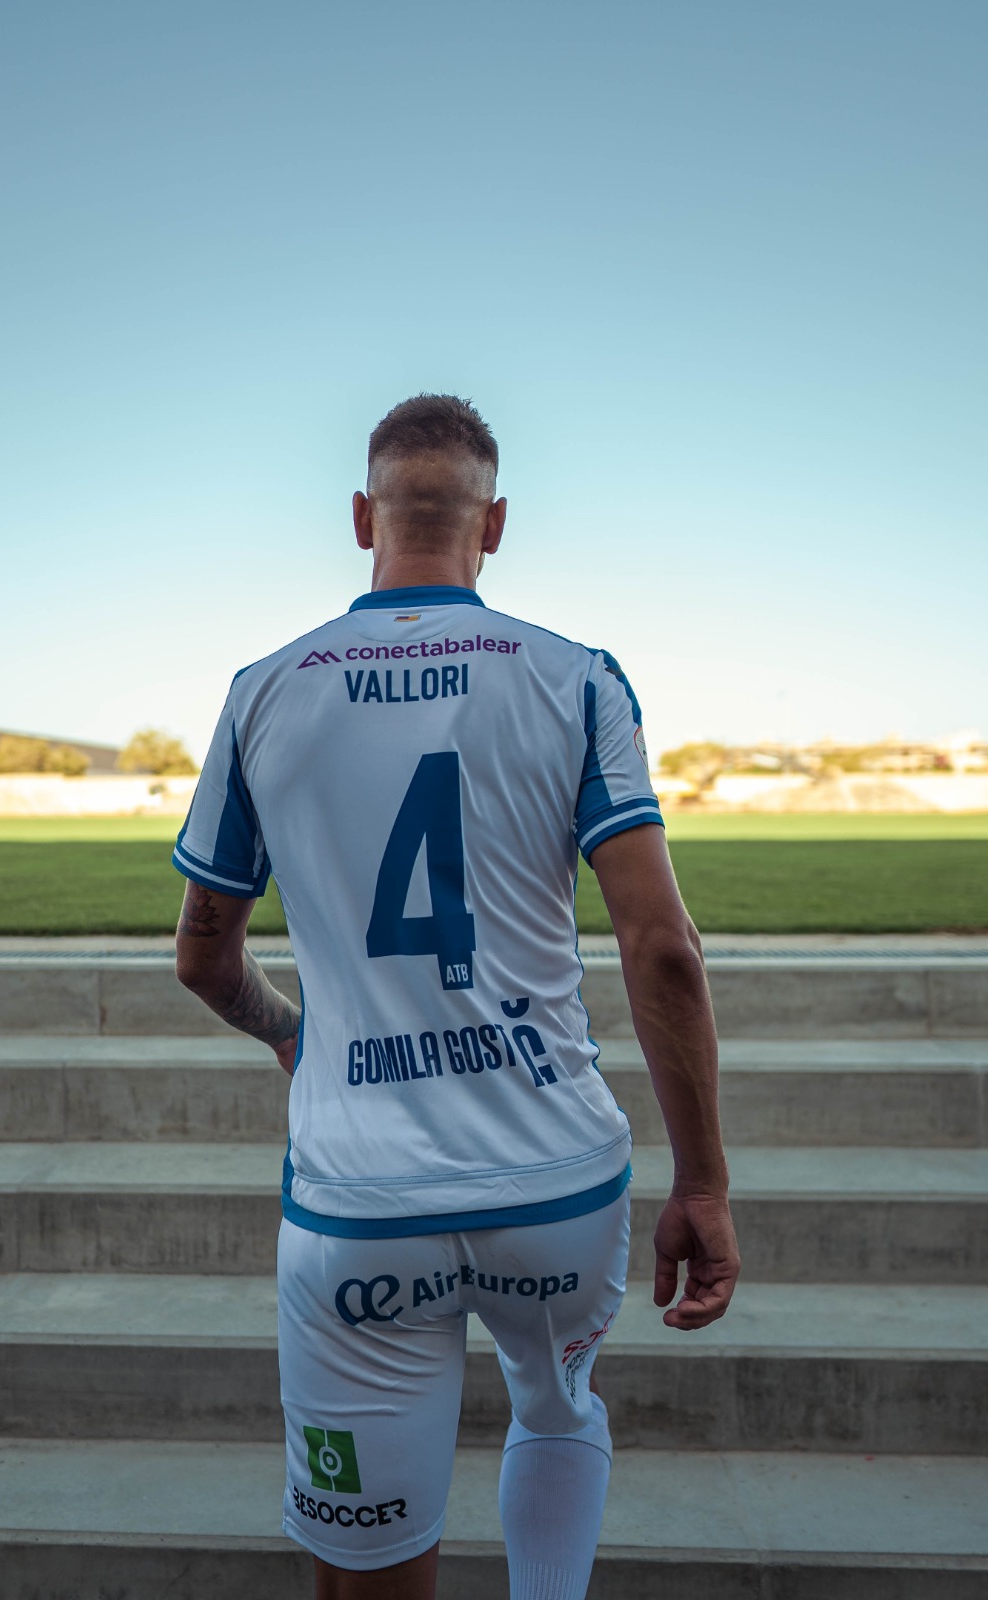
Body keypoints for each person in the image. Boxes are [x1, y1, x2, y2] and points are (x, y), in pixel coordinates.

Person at [173, 394, 740, 1600]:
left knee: (366, 1568)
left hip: (358, 1199)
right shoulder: (577, 678)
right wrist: (703, 1181)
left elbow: (203, 959)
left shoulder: (262, 690)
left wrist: (292, 1035)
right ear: (495, 524)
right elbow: (663, 950)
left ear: (361, 516)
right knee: (558, 1407)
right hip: (556, 1180)